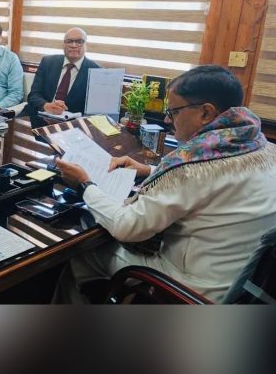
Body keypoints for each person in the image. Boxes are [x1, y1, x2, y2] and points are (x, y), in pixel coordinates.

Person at [55, 65, 276, 303]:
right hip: (242, 286)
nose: (168, 119)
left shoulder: (192, 167)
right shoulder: (261, 146)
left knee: (82, 254)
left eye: (174, 111)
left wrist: (84, 185)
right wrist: (149, 170)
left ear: (205, 112)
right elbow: (210, 186)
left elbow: (127, 227)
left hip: (190, 289)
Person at [27, 27, 100, 119]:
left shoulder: (96, 71)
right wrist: (46, 105)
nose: (73, 45)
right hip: (39, 115)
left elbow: (95, 110)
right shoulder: (48, 62)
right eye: (69, 41)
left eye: (79, 42)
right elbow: (33, 95)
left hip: (72, 122)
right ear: (63, 45)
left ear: (86, 45)